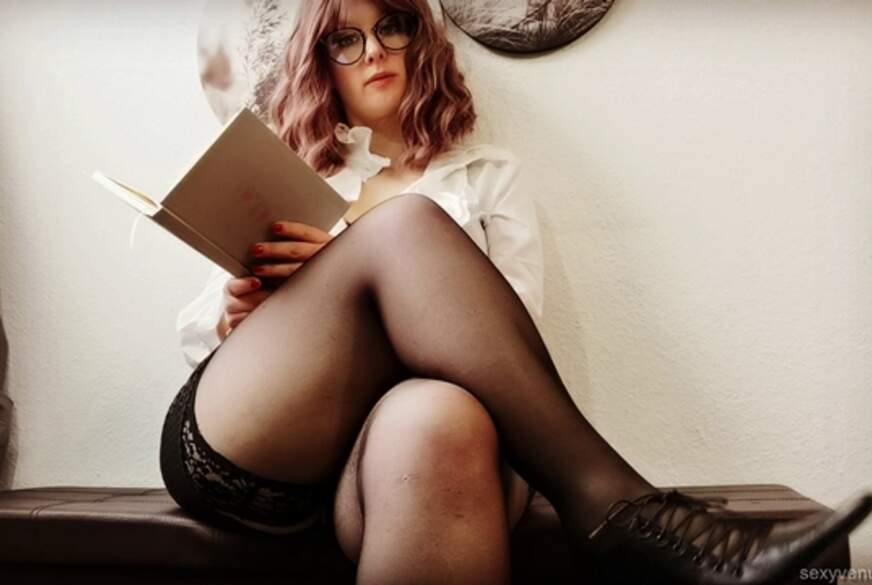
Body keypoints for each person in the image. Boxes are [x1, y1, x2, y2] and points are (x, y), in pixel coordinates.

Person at [159, 1, 872, 584]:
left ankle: (626, 516)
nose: (374, 51)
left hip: (403, 455)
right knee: (403, 226)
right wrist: (238, 312)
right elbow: (199, 341)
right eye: (346, 40)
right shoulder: (298, 175)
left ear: (419, 41)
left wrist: (379, 302)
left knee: (436, 412)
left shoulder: (487, 177)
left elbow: (508, 358)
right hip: (259, 438)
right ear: (323, 63)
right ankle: (623, 510)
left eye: (391, 27)